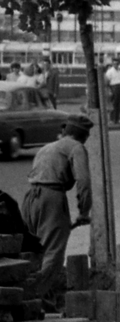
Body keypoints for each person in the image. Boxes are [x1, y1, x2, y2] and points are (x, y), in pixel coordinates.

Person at [22, 114, 92, 304]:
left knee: (33, 250)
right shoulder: (76, 148)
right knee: (53, 251)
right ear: (84, 135)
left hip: (30, 197)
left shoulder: (48, 147)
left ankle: (33, 292)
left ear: (64, 131)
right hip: (51, 197)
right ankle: (32, 298)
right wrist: (84, 212)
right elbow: (83, 181)